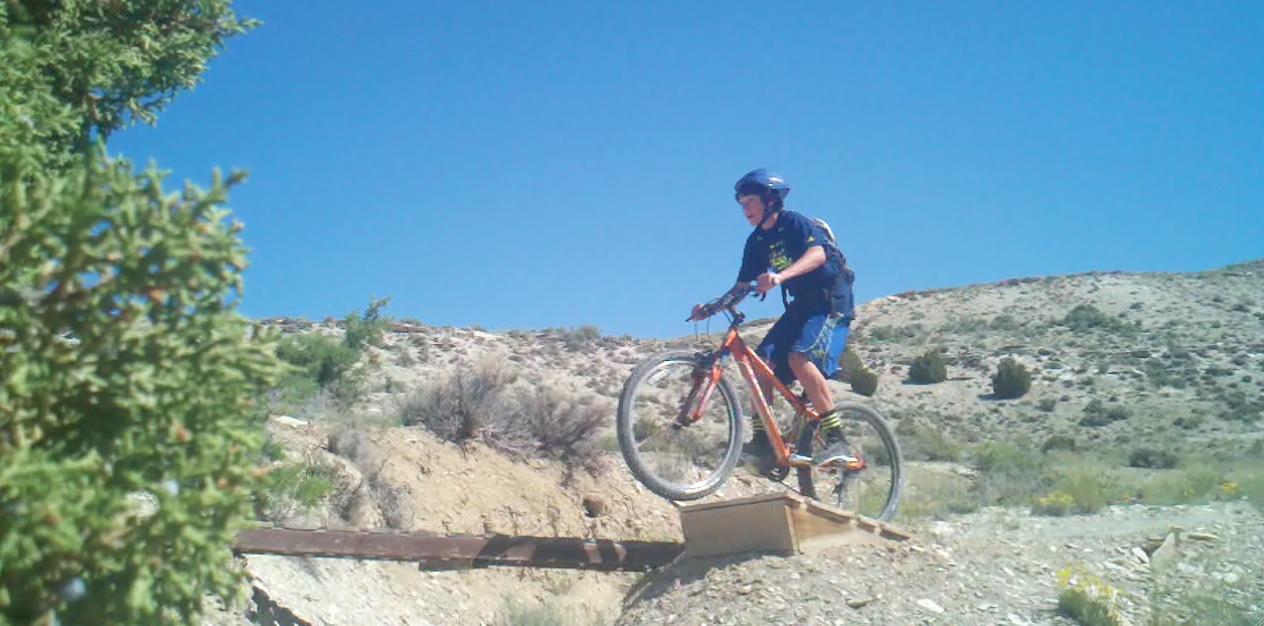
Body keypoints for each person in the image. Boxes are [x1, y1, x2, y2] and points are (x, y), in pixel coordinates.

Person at [690, 169, 856, 467]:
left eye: (749, 201)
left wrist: (780, 276)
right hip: (800, 306)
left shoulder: (793, 222)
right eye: (741, 204)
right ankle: (763, 443)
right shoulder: (756, 242)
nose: (744, 209)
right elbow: (741, 287)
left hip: (829, 301)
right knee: (760, 367)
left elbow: (817, 255)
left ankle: (838, 441)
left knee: (797, 358)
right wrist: (710, 310)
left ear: (770, 199)